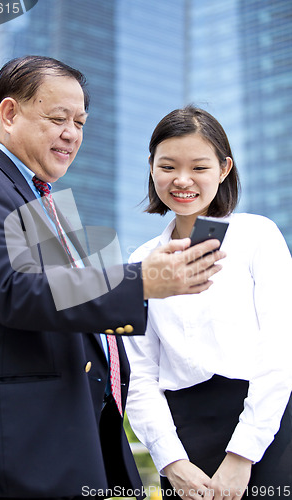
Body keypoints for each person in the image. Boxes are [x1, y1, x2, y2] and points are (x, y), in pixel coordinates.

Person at [0, 58, 225, 500]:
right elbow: (13, 292)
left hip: (81, 428)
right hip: (22, 445)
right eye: (57, 118)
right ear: (9, 114)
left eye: (79, 122)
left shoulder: (50, 203)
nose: (72, 134)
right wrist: (140, 282)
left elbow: (75, 309)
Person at [124, 106, 292, 500]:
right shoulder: (139, 263)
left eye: (199, 167)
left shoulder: (257, 236)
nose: (182, 180)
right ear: (151, 167)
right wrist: (170, 461)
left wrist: (243, 453)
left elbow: (280, 348)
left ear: (224, 168)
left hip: (265, 427)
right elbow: (141, 375)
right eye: (168, 166)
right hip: (182, 438)